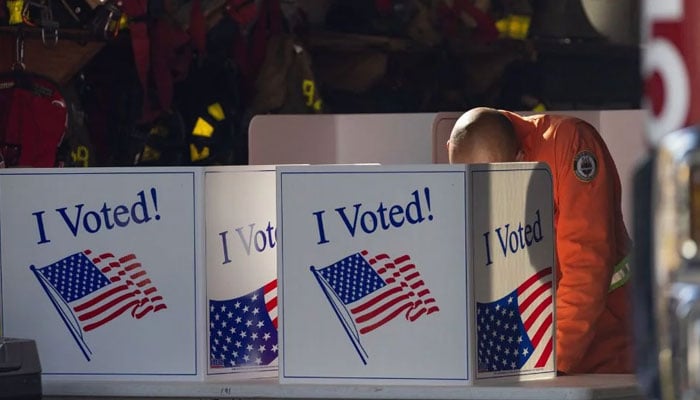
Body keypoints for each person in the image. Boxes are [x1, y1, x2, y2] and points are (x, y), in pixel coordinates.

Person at [447, 107, 633, 374]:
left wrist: (552, 363)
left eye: (498, 182)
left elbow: (586, 267)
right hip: (531, 346)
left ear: (521, 157)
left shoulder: (569, 143)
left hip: (605, 339)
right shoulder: (467, 169)